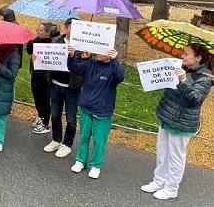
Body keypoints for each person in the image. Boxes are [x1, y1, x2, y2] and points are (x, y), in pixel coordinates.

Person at [140, 44, 213, 200]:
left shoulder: (205, 78)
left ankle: (171, 188)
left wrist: (183, 80)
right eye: (182, 53)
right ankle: (159, 180)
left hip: (182, 122)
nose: (182, 56)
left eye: (186, 54)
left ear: (198, 58)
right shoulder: (182, 68)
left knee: (176, 156)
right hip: (167, 116)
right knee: (162, 152)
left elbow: (194, 99)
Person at [68, 46, 124, 179]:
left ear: (110, 54)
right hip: (86, 107)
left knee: (99, 141)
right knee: (84, 137)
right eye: (98, 50)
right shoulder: (90, 64)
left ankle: (95, 165)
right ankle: (81, 160)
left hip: (102, 111)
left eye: (103, 52)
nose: (99, 53)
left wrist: (115, 60)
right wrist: (71, 56)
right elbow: (74, 68)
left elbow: (120, 77)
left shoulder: (113, 68)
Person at [40, 18, 84, 158]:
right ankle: (56, 139)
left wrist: (78, 56)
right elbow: (46, 58)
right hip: (55, 84)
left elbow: (85, 67)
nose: (74, 30)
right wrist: (38, 59)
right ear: (66, 28)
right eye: (72, 27)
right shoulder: (56, 41)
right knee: (55, 114)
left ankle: (67, 144)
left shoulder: (83, 46)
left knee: (71, 117)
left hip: (73, 87)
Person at [26, 22, 58, 134]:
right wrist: (31, 41)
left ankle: (45, 123)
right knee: (37, 97)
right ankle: (40, 116)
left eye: (41, 30)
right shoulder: (37, 40)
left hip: (46, 76)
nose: (38, 32)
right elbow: (29, 51)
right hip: (36, 73)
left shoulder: (54, 43)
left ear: (48, 33)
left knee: (45, 99)